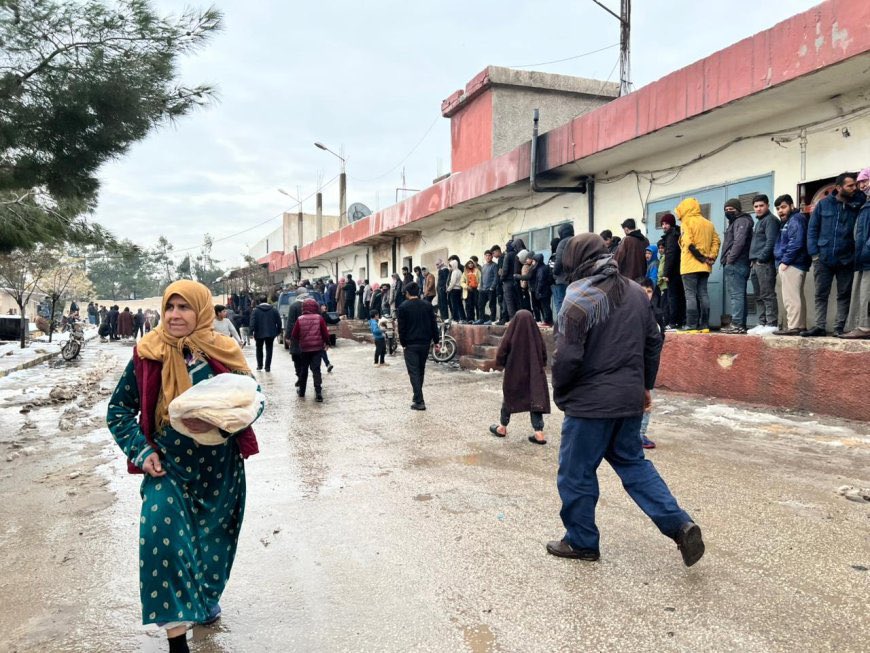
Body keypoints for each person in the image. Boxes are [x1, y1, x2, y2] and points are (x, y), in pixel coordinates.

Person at [106, 280, 262, 653]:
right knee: (161, 542)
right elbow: (119, 410)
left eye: (184, 307)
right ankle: (177, 639)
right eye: (170, 307)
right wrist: (142, 452)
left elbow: (254, 401)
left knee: (213, 547)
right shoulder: (148, 353)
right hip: (168, 467)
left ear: (201, 311)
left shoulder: (223, 351)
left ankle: (204, 602)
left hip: (219, 469)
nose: (175, 315)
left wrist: (218, 422)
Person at [547, 233, 704, 566]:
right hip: (629, 400)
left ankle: (581, 542)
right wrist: (645, 385)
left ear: (575, 259)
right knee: (634, 464)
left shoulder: (577, 297)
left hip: (590, 406)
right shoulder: (635, 292)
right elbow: (654, 342)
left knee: (576, 473)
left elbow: (566, 357)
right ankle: (680, 525)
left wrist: (560, 391)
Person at [803, 172, 866, 337]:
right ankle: (820, 326)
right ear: (838, 187)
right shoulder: (823, 205)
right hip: (823, 258)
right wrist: (814, 254)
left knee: (844, 294)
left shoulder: (857, 203)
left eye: (855, 185)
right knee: (821, 294)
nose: (854, 188)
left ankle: (839, 327)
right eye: (850, 185)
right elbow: (812, 229)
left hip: (847, 258)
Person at [489, 310, 550, 444]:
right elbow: (543, 351)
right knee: (535, 398)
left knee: (509, 396)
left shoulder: (512, 332)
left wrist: (500, 364)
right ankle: (539, 432)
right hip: (534, 372)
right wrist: (541, 365)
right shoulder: (535, 334)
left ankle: (502, 427)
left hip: (514, 371)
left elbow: (502, 350)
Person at [676, 198, 721, 333]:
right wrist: (711, 257)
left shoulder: (686, 222)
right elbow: (716, 241)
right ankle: (705, 325)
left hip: (689, 265)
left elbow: (688, 243)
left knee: (690, 295)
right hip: (705, 266)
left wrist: (700, 257)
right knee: (703, 294)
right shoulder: (709, 224)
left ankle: (691, 325)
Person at [772, 195, 811, 336]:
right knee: (797, 296)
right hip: (796, 262)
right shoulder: (792, 220)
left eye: (783, 207)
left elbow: (796, 242)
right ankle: (800, 326)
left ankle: (793, 326)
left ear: (792, 206)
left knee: (791, 297)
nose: (780, 211)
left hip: (792, 263)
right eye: (778, 208)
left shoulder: (795, 220)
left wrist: (785, 261)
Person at [397, 282, 439, 410]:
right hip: (425, 343)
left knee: (414, 372)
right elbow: (433, 324)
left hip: (411, 344)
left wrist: (403, 343)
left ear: (407, 293)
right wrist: (436, 340)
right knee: (420, 370)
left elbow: (401, 328)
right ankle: (417, 396)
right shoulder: (427, 305)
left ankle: (419, 401)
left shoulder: (403, 307)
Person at [720, 198, 754, 334]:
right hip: (739, 262)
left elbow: (739, 242)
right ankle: (740, 324)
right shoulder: (738, 222)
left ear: (738, 209)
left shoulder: (741, 221)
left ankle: (737, 323)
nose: (728, 212)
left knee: (736, 295)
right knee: (739, 294)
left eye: (731, 209)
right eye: (726, 209)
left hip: (736, 263)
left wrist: (730, 259)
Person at [638, 278, 665, 449]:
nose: (646, 295)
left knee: (647, 399)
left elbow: (660, 339)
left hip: (649, 363)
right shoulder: (629, 313)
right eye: (642, 291)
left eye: (649, 291)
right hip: (632, 363)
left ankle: (641, 433)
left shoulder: (657, 314)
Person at [748, 194, 780, 331]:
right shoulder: (760, 221)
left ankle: (772, 324)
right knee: (759, 296)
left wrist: (761, 259)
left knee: (767, 294)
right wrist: (754, 261)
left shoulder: (770, 220)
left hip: (765, 263)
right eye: (756, 206)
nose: (758, 208)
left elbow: (771, 242)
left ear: (767, 205)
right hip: (755, 264)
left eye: (761, 205)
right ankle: (762, 323)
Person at [841, 191, 870, 339]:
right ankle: (861, 326)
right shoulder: (864, 205)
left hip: (866, 257)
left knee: (866, 293)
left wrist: (866, 250)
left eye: (866, 181)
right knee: (861, 292)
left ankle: (865, 327)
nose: (864, 185)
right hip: (862, 258)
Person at [289, 298, 329, 402]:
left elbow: (294, 335)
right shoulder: (319, 318)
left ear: (304, 308)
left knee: (304, 370)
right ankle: (318, 393)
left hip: (304, 349)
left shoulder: (300, 319)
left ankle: (302, 392)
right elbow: (325, 333)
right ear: (315, 307)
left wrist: (300, 340)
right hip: (317, 349)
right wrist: (327, 343)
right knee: (316, 370)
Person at [658, 214, 684, 329]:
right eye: (662, 224)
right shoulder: (676, 233)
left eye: (666, 223)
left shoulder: (671, 236)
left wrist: (666, 273)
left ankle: (673, 322)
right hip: (680, 270)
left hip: (673, 272)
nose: (664, 226)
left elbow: (670, 255)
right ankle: (680, 321)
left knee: (672, 297)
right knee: (680, 296)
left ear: (672, 224)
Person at [249, 296, 282, 372]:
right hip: (271, 333)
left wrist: (251, 332)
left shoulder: (255, 311)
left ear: (259, 301)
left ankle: (259, 366)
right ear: (267, 300)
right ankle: (267, 367)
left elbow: (252, 322)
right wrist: (278, 331)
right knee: (269, 349)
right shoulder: (274, 310)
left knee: (259, 349)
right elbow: (279, 321)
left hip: (259, 333)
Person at [552, 223, 575, 316]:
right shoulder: (577, 240)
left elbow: (559, 261)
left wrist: (554, 273)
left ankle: (562, 323)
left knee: (561, 303)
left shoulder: (562, 243)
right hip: (576, 279)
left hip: (563, 279)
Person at [532, 252, 554, 325]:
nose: (533, 263)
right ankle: (548, 320)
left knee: (545, 306)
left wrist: (538, 291)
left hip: (543, 291)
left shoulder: (540, 270)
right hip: (547, 290)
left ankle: (547, 321)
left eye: (534, 261)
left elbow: (540, 281)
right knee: (546, 306)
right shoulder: (545, 267)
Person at [477, 250, 498, 324]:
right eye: (486, 255)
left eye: (489, 255)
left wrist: (493, 287)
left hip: (491, 289)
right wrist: (480, 287)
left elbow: (496, 277)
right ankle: (481, 319)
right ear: (484, 257)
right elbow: (482, 278)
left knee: (492, 305)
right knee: (480, 304)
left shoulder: (494, 265)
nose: (488, 257)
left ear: (492, 256)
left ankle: (492, 320)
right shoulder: (483, 266)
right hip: (483, 289)